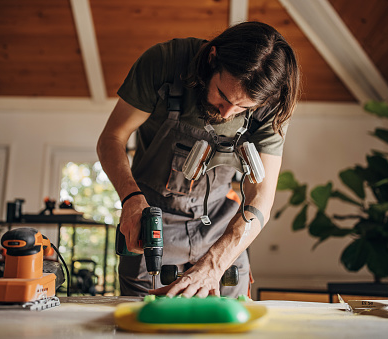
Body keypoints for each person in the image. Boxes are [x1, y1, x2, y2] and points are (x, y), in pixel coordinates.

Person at [97, 21, 300, 298]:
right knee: (144, 320)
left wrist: (216, 262)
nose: (229, 113)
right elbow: (111, 139)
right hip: (152, 218)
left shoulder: (272, 103)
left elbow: (261, 194)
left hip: (221, 221)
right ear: (212, 58)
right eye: (224, 96)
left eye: (243, 107)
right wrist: (131, 199)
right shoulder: (164, 63)